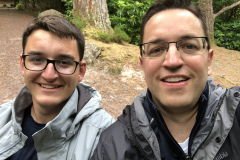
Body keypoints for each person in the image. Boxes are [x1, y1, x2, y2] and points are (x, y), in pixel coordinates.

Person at [91, 0, 240, 159]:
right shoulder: (111, 147)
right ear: (143, 65)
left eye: (189, 46)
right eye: (156, 49)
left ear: (209, 60)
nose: (173, 61)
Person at [0, 15, 114, 160]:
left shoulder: (107, 137)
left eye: (64, 62)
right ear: (23, 65)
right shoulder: (2, 118)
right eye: (37, 60)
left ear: (81, 71)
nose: (49, 75)